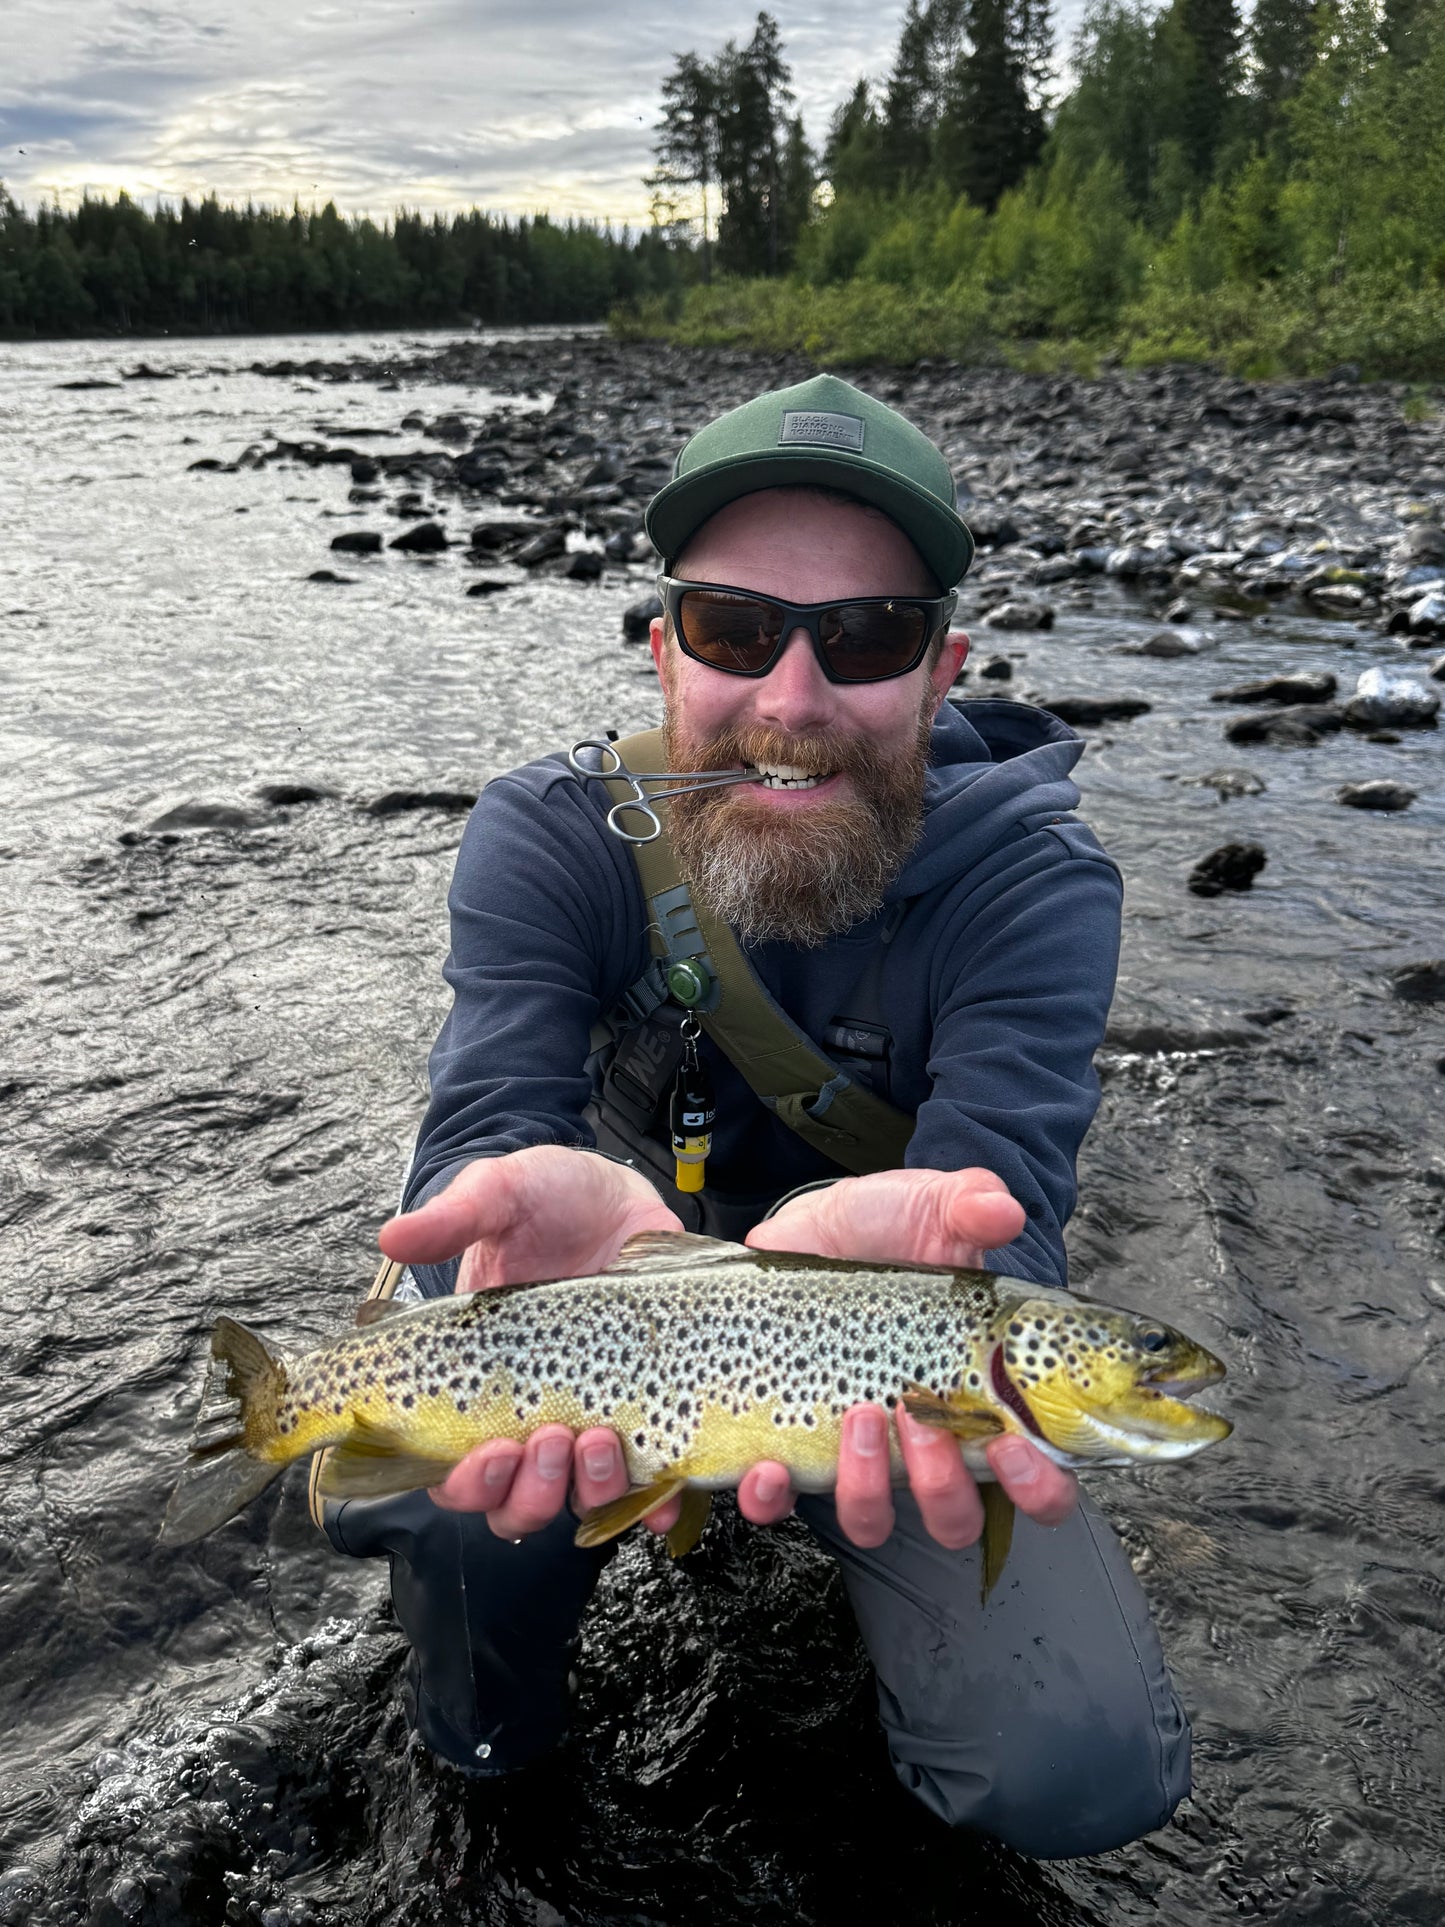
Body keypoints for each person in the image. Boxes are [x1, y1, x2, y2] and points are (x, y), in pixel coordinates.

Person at [320, 373, 1191, 1860]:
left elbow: (1007, 1205)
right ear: (664, 652)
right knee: (438, 1478)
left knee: (1080, 1767)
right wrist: (498, 1195)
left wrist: (943, 1266)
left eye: (864, 638)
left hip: (887, 1329)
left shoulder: (1031, 881)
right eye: (734, 630)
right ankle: (492, 1773)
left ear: (939, 670)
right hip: (597, 1301)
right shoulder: (553, 831)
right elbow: (478, 1130)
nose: (791, 705)